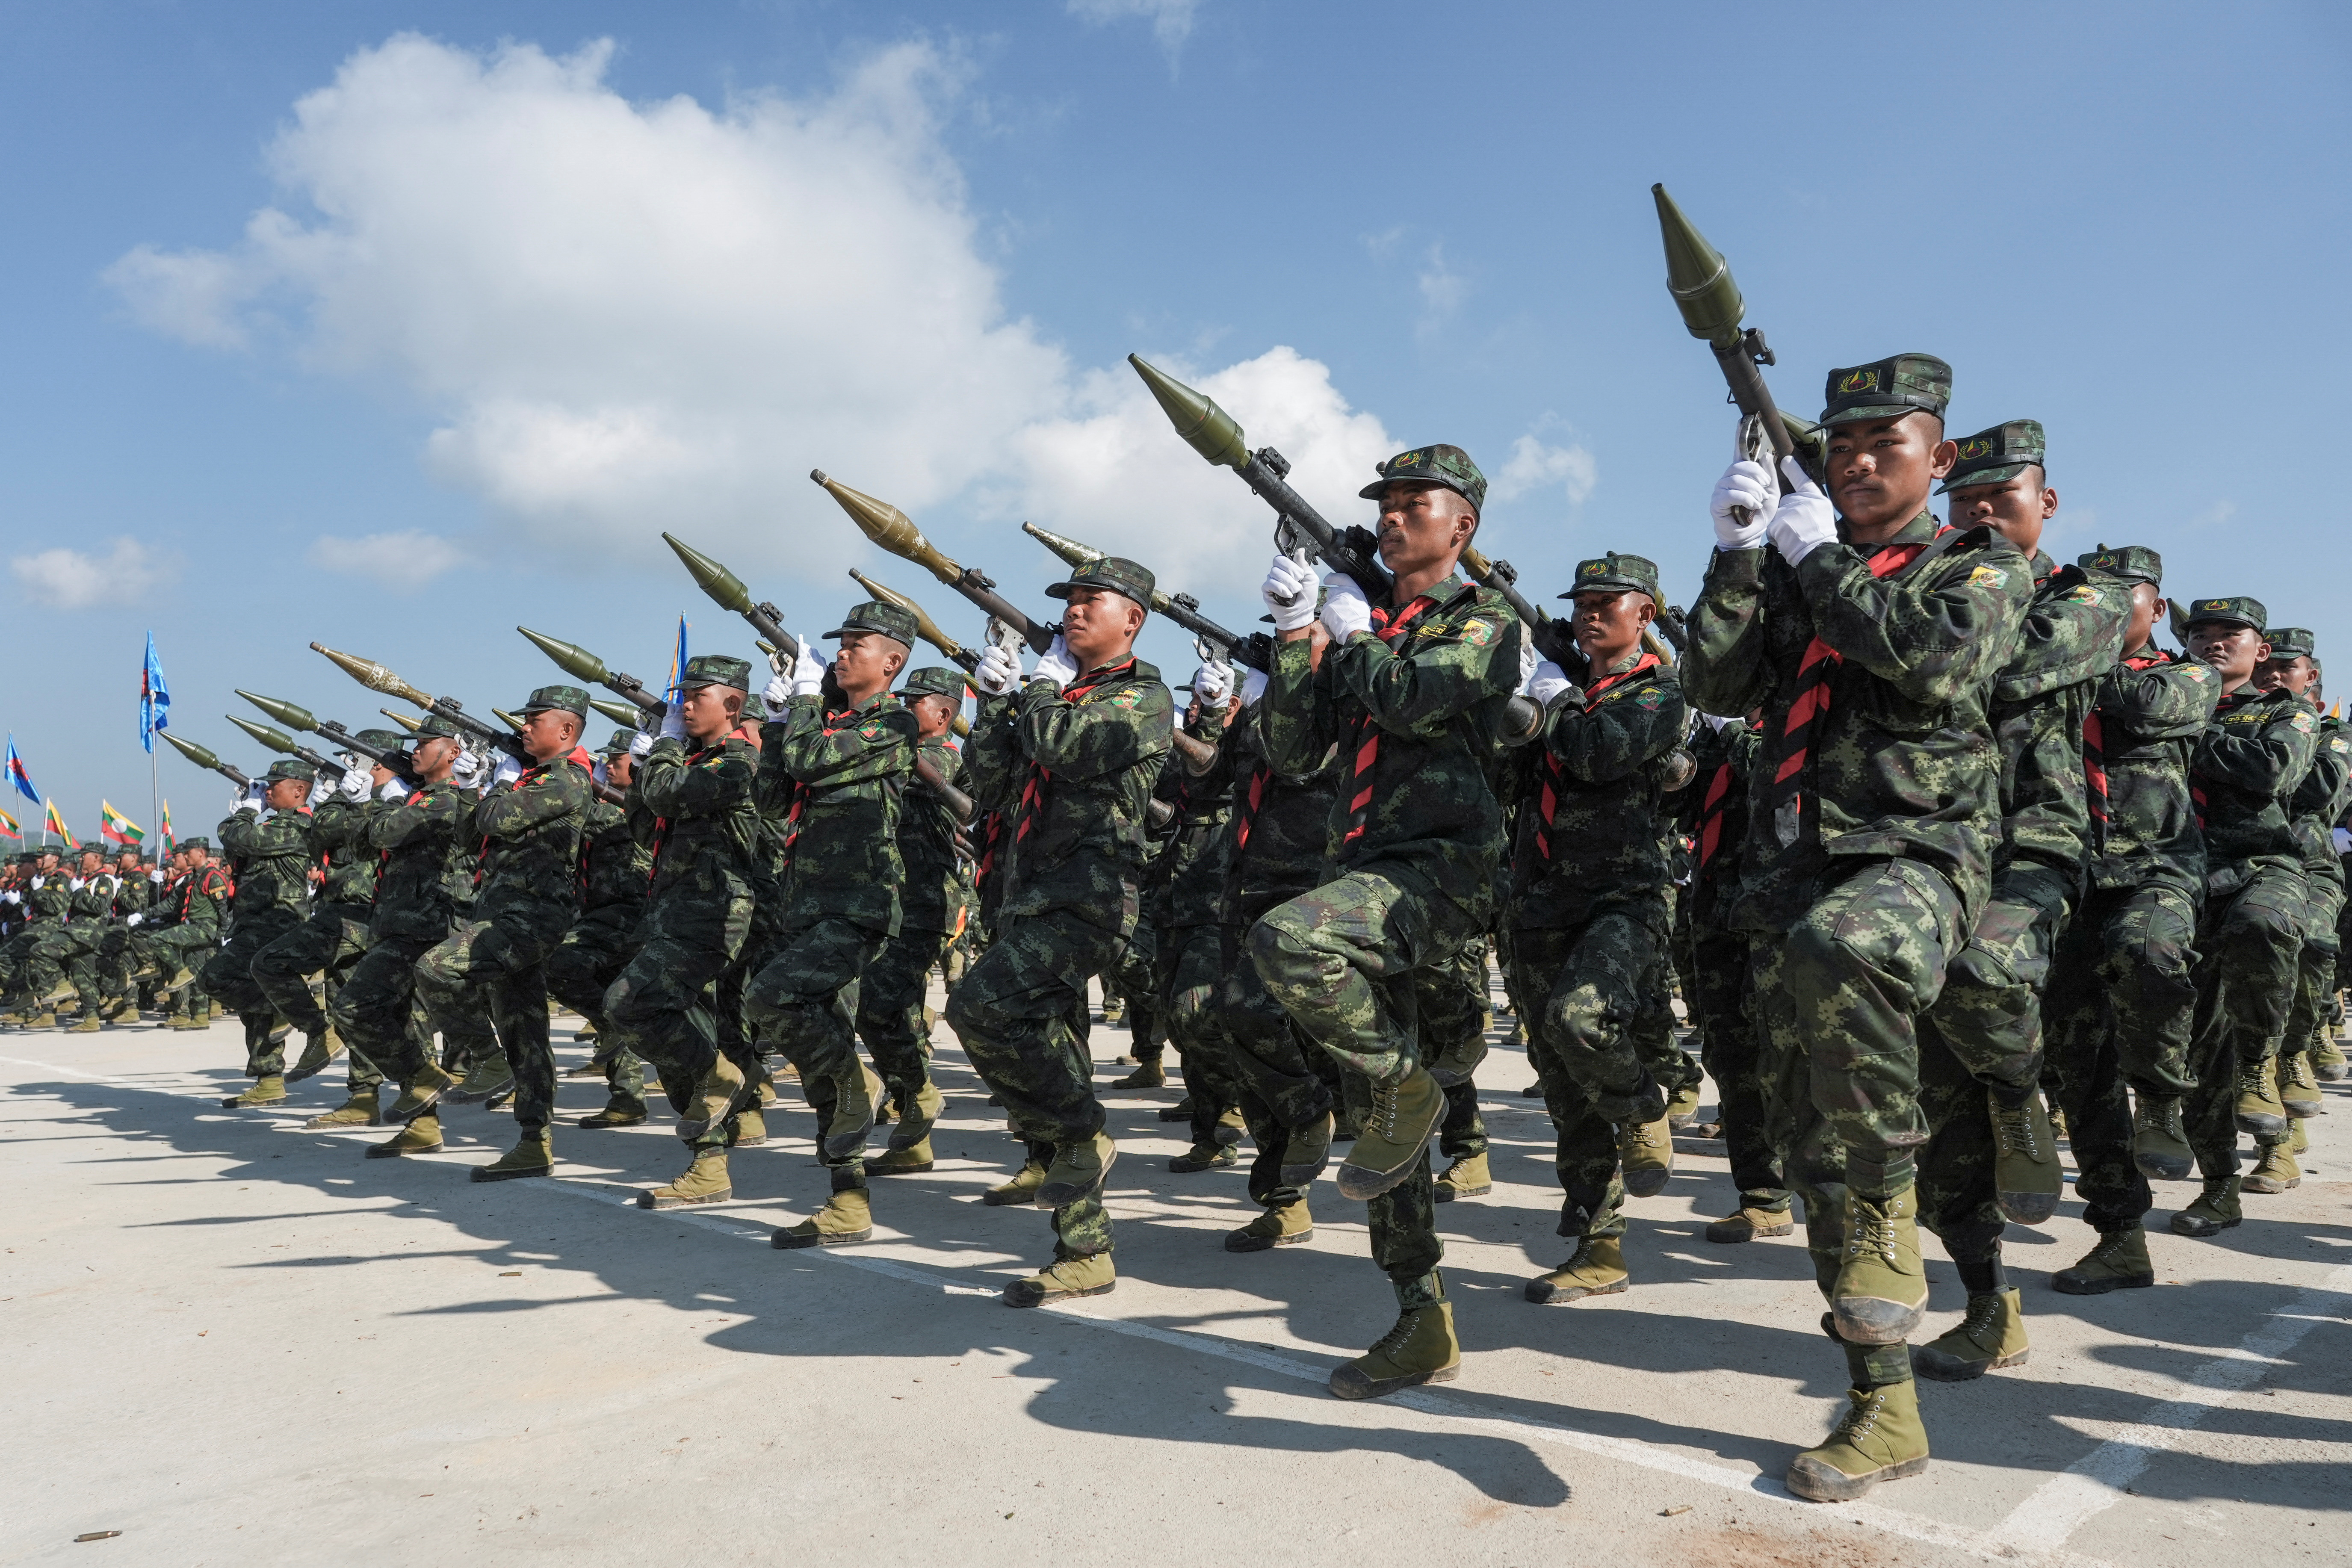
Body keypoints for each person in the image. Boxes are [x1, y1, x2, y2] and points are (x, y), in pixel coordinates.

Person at [1682, 355, 2033, 1500]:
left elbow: (1929, 662)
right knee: (1813, 1149)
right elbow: (1717, 685)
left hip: (1915, 852)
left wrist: (1814, 554)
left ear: (1940, 460)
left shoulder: (1977, 564)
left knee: (1846, 951)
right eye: (1839, 447)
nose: (1858, 462)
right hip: (1791, 868)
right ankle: (1883, 1404)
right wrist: (1738, 551)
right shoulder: (1796, 565)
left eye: (1886, 443)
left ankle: (1928, 1212)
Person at [1250, 443, 1524, 1400]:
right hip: (1362, 870)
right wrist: (1296, 636)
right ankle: (1420, 1319)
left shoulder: (1484, 621)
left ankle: (1416, 1085)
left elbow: (1411, 701)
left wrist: (1354, 634)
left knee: (1290, 939)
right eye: (1386, 504)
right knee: (1381, 1121)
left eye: (1416, 503)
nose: (1394, 516)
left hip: (1439, 872)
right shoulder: (1364, 623)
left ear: (1463, 526)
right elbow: (1293, 750)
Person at [1909, 421, 2130, 1381]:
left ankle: (2020, 1092)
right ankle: (1988, 1305)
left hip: (2032, 848)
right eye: (1962, 501)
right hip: (1932, 846)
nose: (1980, 514)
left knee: (1981, 975)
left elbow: (1999, 659)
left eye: (2001, 499)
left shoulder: (2087, 598)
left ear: (2045, 504)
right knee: (1939, 1109)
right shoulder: (1924, 588)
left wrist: (1914, 631)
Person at [948, 556, 1173, 1306]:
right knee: (1055, 1053)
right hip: (1028, 895)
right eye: (1069, 601)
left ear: (1132, 619)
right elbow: (989, 779)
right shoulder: (1054, 696)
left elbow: (1065, 747)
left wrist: (1039, 688)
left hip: (1087, 897)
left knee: (980, 1006)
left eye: (1090, 600)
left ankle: (1081, 1134)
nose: (1073, 611)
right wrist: (994, 702)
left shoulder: (1144, 697)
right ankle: (1085, 1250)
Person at [1507, 552, 1688, 1305]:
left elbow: (1597, 751)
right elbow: (1507, 774)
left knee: (1581, 1019)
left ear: (1644, 613)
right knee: (1562, 1082)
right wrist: (1522, 700)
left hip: (1622, 895)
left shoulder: (1661, 693)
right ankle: (1598, 1243)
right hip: (1539, 896)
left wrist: (1557, 698)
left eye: (1606, 603)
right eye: (1581, 603)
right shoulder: (1563, 691)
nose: (1588, 613)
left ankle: (1644, 1102)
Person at [2039, 546, 2219, 1293]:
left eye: (2123, 599)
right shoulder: (2052, 670)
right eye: (2093, 599)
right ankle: (2119, 1235)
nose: (2106, 613)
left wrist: (2065, 654)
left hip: (2154, 868)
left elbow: (2146, 707)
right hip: (2063, 873)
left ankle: (2165, 1093)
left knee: (2149, 952)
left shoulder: (2189, 676)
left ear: (2158, 608)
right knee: (2080, 1067)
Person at [747, 604, 922, 1247]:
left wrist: (799, 705)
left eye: (856, 644)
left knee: (769, 997)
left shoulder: (894, 724)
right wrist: (775, 722)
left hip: (858, 903)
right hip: (808, 903)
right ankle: (847, 1201)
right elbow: (771, 798)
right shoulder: (827, 723)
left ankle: (860, 1078)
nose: (842, 653)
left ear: (892, 661)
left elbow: (809, 761)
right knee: (823, 1060)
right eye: (839, 645)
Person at [603, 656, 768, 1210]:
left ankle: (725, 1075)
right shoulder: (690, 762)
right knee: (680, 1034)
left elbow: (668, 794)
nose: (685, 705)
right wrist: (646, 767)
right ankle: (708, 1163)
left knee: (631, 1003)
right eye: (683, 695)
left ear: (733, 704)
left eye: (698, 695)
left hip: (716, 911)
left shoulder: (739, 762)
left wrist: (665, 747)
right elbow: (645, 824)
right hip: (675, 910)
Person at [2173, 597, 2316, 1236]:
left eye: (2230, 632)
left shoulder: (2286, 712)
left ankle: (2264, 1065)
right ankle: (2218, 1184)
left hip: (2258, 865)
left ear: (2260, 651)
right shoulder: (2162, 695)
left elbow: (2271, 770)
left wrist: (2184, 731)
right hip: (2180, 878)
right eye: (2200, 632)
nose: (2212, 641)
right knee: (2202, 1041)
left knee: (2266, 928)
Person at [416, 687, 594, 1182]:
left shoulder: (567, 779)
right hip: (502, 913)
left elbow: (497, 817)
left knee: (434, 969)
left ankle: (486, 1059)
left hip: (531, 916)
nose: (524, 727)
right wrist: (472, 785)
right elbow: (471, 835)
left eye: (535, 720)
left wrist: (500, 781)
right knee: (525, 1032)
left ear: (566, 729)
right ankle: (534, 1142)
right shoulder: (531, 779)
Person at [326, 718, 478, 1160]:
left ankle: (443, 1083)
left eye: (425, 744)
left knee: (355, 1007)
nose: (416, 750)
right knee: (403, 1022)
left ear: (453, 753)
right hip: (399, 925)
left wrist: (381, 802)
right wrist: (364, 804)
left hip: (429, 927)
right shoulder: (417, 797)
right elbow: (362, 848)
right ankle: (423, 1121)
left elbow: (382, 833)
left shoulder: (447, 799)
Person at [857, 665, 974, 1176]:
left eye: (914, 702)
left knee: (877, 1005)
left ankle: (918, 1096)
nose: (904, 708)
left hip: (923, 905)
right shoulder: (903, 752)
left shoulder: (941, 757)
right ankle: (913, 1129)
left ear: (944, 713)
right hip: (891, 904)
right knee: (891, 1011)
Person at [2240, 630, 2341, 1192]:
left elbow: (2316, 789)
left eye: (2288, 667)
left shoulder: (2330, 735)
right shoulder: (2232, 721)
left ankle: (2299, 1051)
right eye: (2267, 665)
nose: (2274, 674)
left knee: (2312, 955)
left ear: (2311, 677)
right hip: (2238, 865)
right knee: (2241, 1005)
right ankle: (2272, 1148)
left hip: (2309, 866)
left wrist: (2254, 762)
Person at [546, 730, 655, 1129]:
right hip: (603, 917)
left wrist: (565, 782)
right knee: (609, 1002)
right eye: (605, 759)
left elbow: (590, 820)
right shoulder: (604, 805)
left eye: (617, 759)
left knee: (562, 965)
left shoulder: (641, 806)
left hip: (632, 916)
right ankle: (628, 1097)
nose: (607, 765)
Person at [212, 760, 322, 1108]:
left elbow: (236, 836)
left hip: (277, 923)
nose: (268, 790)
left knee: (214, 978)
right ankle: (269, 1079)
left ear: (299, 790)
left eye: (276, 784)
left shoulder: (299, 825)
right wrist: (244, 815)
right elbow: (237, 851)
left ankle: (289, 1008)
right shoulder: (275, 825)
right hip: (253, 923)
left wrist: (245, 812)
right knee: (254, 1002)